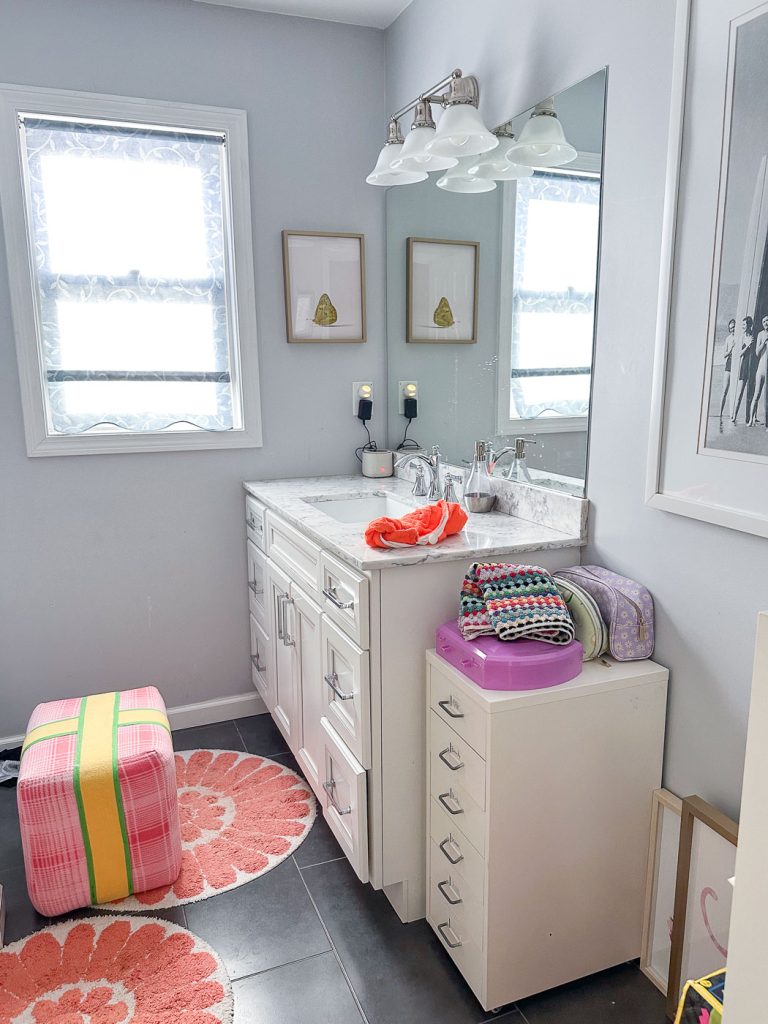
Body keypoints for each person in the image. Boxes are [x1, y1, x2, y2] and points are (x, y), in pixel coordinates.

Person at [732, 315, 756, 423]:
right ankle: (734, 416)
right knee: (740, 393)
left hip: (752, 366)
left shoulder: (754, 336)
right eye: (742, 325)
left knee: (751, 394)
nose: (743, 326)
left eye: (744, 324)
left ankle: (751, 418)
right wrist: (747, 345)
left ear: (749, 325)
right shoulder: (742, 338)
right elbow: (740, 354)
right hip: (744, 366)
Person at [749, 315, 768, 425]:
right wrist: (764, 342)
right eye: (764, 321)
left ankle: (766, 423)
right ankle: (751, 420)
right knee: (756, 394)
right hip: (761, 368)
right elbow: (757, 353)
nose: (766, 323)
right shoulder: (760, 334)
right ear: (762, 323)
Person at [719, 318, 736, 430]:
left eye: (733, 327)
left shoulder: (739, 336)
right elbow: (724, 354)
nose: (732, 329)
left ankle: (732, 414)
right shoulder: (728, 339)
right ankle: (720, 414)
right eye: (730, 328)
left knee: (734, 391)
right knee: (725, 390)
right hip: (729, 364)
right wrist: (730, 350)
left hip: (738, 363)